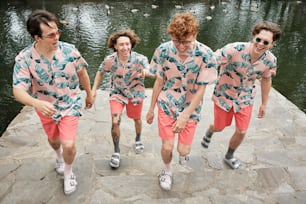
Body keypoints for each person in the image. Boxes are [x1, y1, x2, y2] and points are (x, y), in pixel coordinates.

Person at [12, 10, 93, 195]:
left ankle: (68, 172)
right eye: (51, 35)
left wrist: (89, 94)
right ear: (36, 37)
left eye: (58, 32)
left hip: (71, 104)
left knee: (69, 144)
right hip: (45, 107)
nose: (56, 37)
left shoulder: (70, 50)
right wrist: (36, 103)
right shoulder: (25, 59)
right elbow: (17, 90)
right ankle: (58, 158)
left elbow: (82, 73)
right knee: (54, 140)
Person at [146, 12, 218, 191]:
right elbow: (159, 81)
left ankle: (183, 154)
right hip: (167, 103)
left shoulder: (206, 54)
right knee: (167, 146)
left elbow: (202, 88)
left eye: (186, 42)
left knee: (183, 151)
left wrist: (186, 115)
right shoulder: (163, 50)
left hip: (190, 106)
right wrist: (151, 108)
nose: (181, 46)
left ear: (195, 35)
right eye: (176, 41)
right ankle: (167, 170)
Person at [201, 21, 282, 169]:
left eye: (266, 42)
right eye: (258, 39)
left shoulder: (270, 60)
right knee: (220, 126)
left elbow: (266, 80)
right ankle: (211, 130)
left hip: (245, 98)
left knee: (242, 130)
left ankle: (229, 155)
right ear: (253, 37)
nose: (260, 44)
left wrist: (264, 103)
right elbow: (211, 60)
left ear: (272, 44)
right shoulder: (234, 49)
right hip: (224, 96)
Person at [91, 29, 153, 169]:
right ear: (115, 46)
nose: (125, 48)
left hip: (135, 94)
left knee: (136, 119)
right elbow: (100, 72)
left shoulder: (140, 59)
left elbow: (151, 70)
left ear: (131, 44)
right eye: (121, 45)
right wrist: (94, 89)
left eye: (127, 44)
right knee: (115, 121)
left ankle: (138, 139)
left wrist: (146, 72)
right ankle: (116, 151)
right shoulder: (110, 61)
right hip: (117, 94)